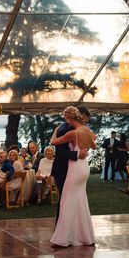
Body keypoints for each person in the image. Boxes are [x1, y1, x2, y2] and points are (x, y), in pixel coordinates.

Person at [50, 106, 96, 247]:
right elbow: (93, 147)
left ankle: (62, 239)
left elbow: (54, 143)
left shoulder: (71, 133)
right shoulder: (88, 131)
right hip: (84, 168)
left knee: (66, 201)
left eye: (66, 118)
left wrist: (54, 132)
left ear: (69, 118)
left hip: (75, 169)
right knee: (80, 200)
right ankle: (85, 237)